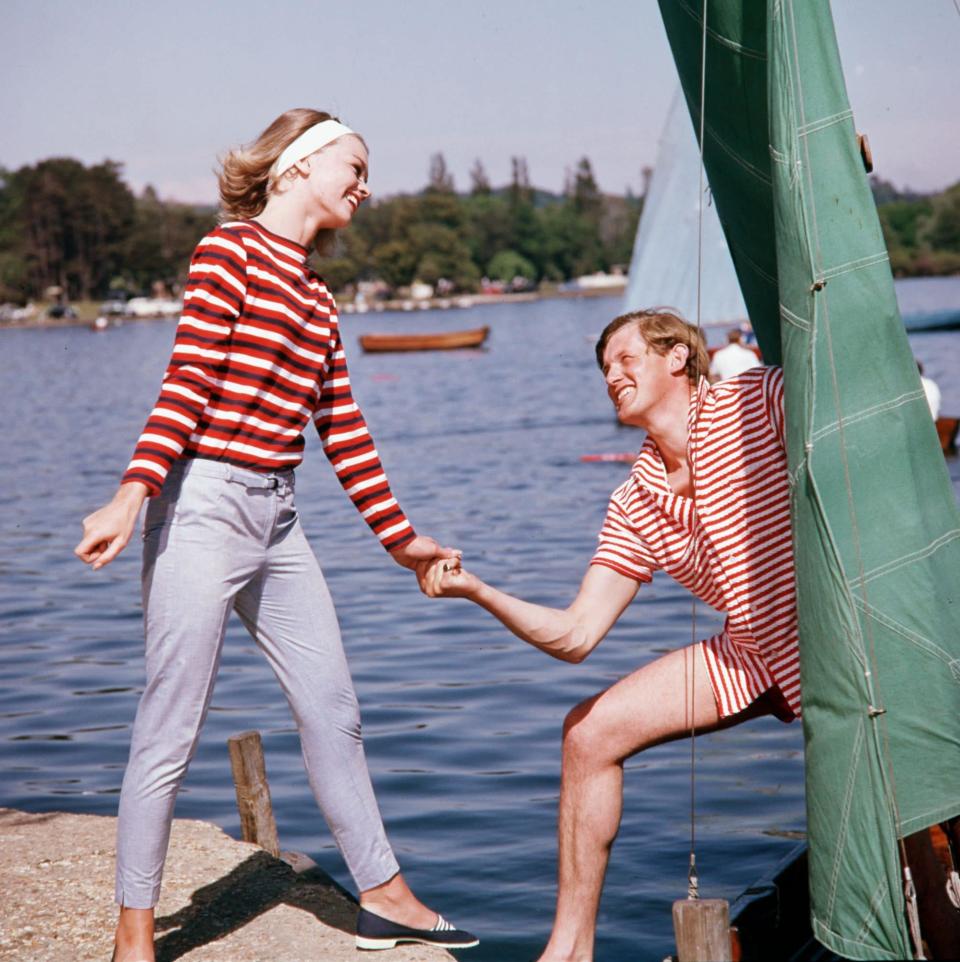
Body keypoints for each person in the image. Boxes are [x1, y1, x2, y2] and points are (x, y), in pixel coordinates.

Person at [417, 308, 960, 961]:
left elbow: (859, 428)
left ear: (678, 355)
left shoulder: (761, 398)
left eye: (625, 359)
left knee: (919, 840)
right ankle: (569, 951)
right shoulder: (634, 499)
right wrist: (477, 588)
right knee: (586, 735)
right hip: (755, 651)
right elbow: (575, 635)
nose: (612, 376)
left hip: (852, 635)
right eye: (603, 370)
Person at [74, 109, 478, 961]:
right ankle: (133, 936)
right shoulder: (227, 252)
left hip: (280, 520)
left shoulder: (320, 298)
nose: (365, 186)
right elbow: (186, 383)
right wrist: (128, 495)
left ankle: (384, 897)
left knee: (334, 708)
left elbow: (346, 434)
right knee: (169, 724)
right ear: (297, 165)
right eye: (354, 166)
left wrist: (402, 542)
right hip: (201, 507)